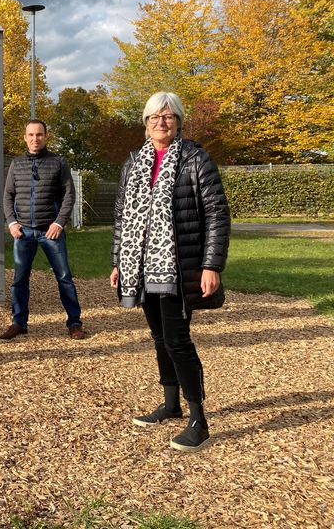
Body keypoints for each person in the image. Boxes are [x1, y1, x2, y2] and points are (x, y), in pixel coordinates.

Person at [110, 91, 230, 453]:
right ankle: (171, 403)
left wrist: (211, 265)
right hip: (141, 265)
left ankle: (199, 421)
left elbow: (216, 214)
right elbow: (122, 217)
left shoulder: (195, 158)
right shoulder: (134, 162)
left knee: (178, 339)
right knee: (160, 338)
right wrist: (119, 260)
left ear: (178, 122)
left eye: (168, 117)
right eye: (154, 117)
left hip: (179, 266)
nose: (161, 122)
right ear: (146, 124)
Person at [2, 119, 85, 341]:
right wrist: (11, 222)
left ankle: (74, 323)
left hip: (51, 231)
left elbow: (69, 195)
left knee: (65, 277)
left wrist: (59, 222)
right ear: (25, 137)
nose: (35, 139)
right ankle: (19, 322)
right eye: (30, 135)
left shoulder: (58, 162)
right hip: (24, 232)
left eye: (39, 135)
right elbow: (8, 195)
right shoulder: (17, 164)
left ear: (46, 137)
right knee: (19, 279)